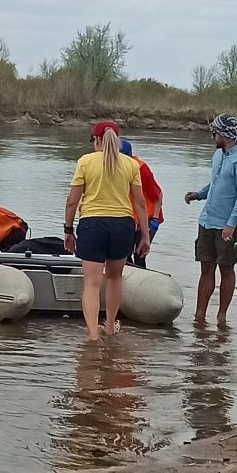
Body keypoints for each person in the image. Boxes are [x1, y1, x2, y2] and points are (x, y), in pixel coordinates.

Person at [62, 119, 151, 340]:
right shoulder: (131, 164)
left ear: (97, 140)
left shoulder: (85, 162)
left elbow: (72, 201)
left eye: (93, 140)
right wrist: (145, 236)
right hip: (122, 225)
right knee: (114, 278)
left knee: (91, 283)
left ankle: (93, 334)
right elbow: (139, 203)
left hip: (93, 224)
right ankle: (110, 327)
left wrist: (68, 230)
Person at [184, 114, 237, 327]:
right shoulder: (218, 156)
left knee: (226, 268)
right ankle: (199, 316)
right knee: (206, 268)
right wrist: (199, 194)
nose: (212, 135)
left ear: (224, 134)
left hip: (230, 226)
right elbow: (216, 184)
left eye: (214, 132)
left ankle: (222, 317)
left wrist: (231, 225)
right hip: (207, 221)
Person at [120, 139, 163, 268]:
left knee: (140, 254)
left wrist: (154, 220)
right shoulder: (115, 169)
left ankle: (142, 281)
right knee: (124, 255)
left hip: (147, 218)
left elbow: (158, 194)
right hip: (130, 218)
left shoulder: (141, 169)